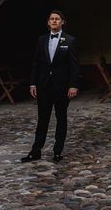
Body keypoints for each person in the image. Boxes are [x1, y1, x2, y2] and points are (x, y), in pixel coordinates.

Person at [21, 10, 80, 163]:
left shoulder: (70, 40)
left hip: (62, 86)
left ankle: (58, 151)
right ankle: (36, 151)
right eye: (51, 19)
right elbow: (36, 63)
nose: (54, 21)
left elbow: (74, 66)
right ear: (48, 22)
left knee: (61, 119)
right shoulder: (41, 40)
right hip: (43, 85)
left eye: (57, 19)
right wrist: (33, 83)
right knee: (42, 119)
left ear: (62, 22)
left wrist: (73, 85)